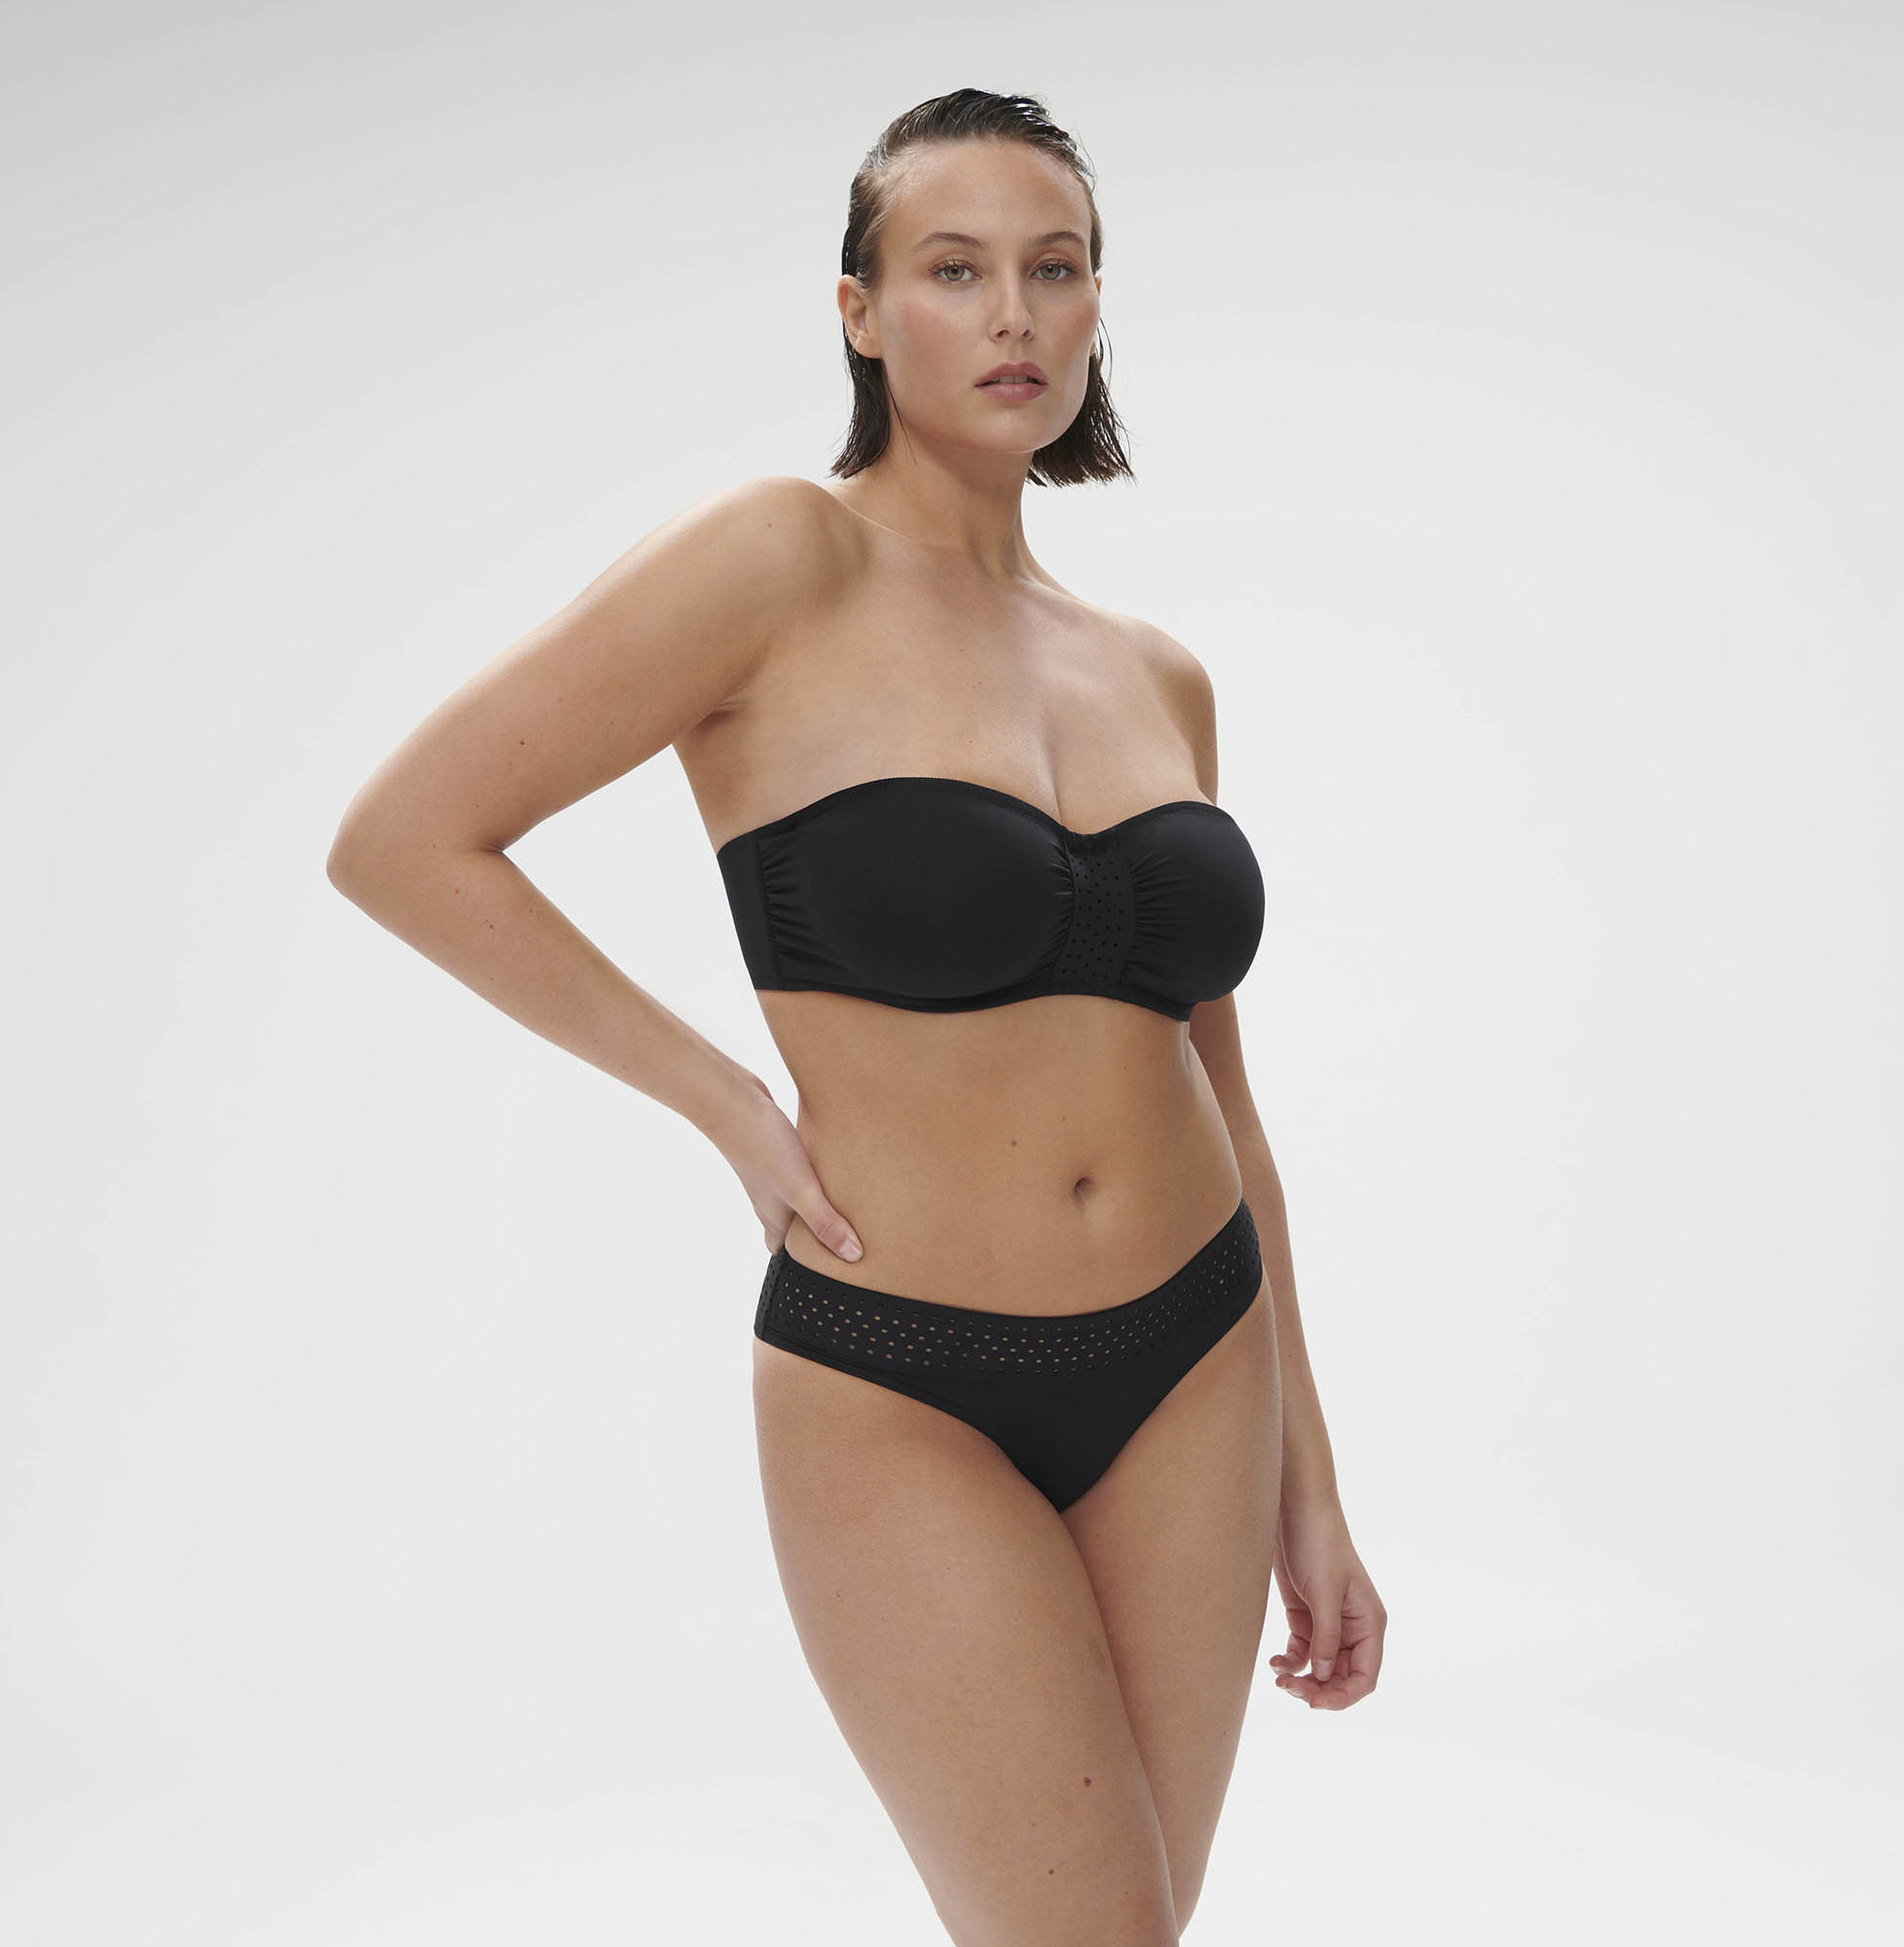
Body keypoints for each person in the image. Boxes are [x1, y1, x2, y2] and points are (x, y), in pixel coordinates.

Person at [327, 85, 1385, 1946]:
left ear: (1098, 304)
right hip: (904, 1377)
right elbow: (405, 841)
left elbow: (1225, 1090)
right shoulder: (775, 562)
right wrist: (726, 1101)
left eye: (1056, 269)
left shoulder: (1157, 676)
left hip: (1198, 1362)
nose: (1013, 315)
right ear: (861, 310)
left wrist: (1316, 1478)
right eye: (953, 270)